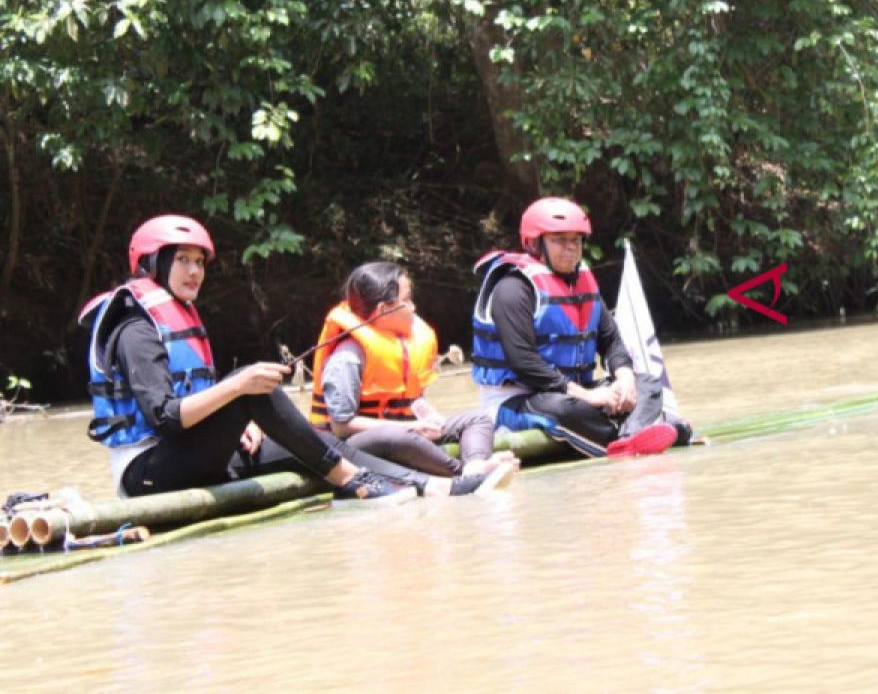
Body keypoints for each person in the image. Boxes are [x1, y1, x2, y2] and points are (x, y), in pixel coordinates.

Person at [81, 215, 509, 502]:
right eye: (183, 261)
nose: (195, 271)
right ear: (153, 264)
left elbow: (199, 400)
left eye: (199, 262)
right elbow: (165, 417)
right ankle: (353, 483)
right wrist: (238, 391)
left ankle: (437, 487)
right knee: (252, 385)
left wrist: (241, 420)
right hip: (146, 474)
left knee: (315, 442)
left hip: (189, 453)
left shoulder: (179, 313)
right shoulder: (135, 328)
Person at [470, 196, 692, 458]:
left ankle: (630, 439)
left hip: (575, 394)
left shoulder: (582, 283)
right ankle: (639, 436)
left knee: (648, 383)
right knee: (565, 409)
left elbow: (611, 340)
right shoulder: (513, 289)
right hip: (517, 401)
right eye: (559, 240)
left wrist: (625, 380)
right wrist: (588, 397)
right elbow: (524, 363)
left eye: (575, 240)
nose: (571, 248)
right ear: (534, 243)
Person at [308, 261, 517, 479]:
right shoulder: (348, 357)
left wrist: (426, 418)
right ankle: (462, 474)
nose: (414, 308)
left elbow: (407, 399)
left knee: (477, 418)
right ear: (383, 310)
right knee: (398, 436)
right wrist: (414, 427)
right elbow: (341, 426)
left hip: (406, 429)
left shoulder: (405, 344)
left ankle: (475, 464)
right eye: (407, 300)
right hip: (351, 445)